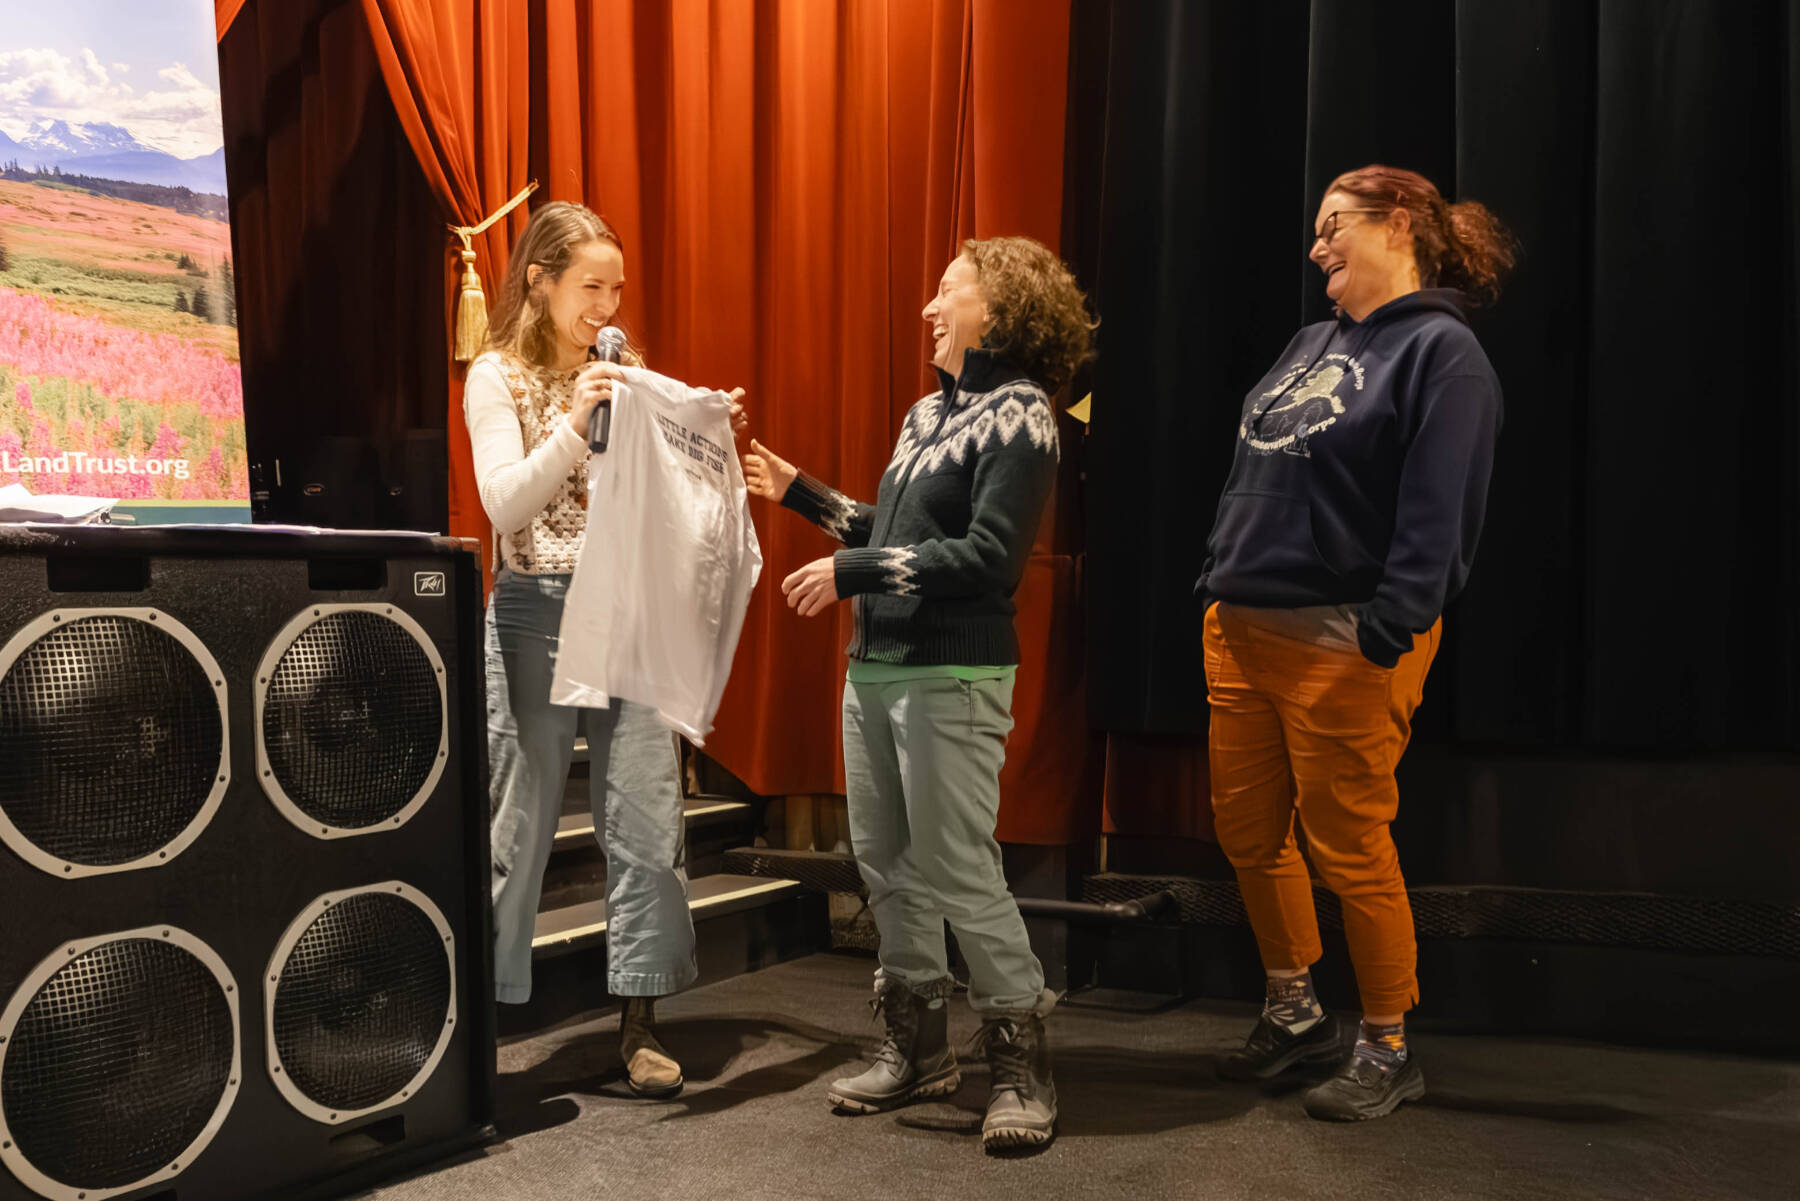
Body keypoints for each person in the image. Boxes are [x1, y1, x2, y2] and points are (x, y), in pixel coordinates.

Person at [743, 235, 1094, 1153]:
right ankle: (919, 1047)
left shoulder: (1022, 413)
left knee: (955, 865)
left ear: (1001, 309)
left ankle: (1021, 1058)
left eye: (950, 290)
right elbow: (890, 529)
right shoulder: (922, 416)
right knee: (889, 863)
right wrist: (799, 493)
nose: (931, 307)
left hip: (953, 674)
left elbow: (985, 557)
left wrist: (850, 570)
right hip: (878, 671)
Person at [1195, 165, 1514, 1120]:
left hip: (1341, 640)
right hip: (1241, 629)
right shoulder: (1310, 341)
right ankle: (1294, 1010)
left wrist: (1387, 628)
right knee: (1250, 834)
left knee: (1350, 847)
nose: (1316, 246)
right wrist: (1221, 571)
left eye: (1334, 225)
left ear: (1401, 224)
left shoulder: (1443, 356)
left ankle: (1388, 1041)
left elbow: (1440, 511)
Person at [463, 200, 745, 1100]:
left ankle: (642, 1020)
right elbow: (504, 505)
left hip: (628, 615)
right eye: (591, 286)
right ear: (539, 281)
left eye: (617, 288)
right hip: (535, 613)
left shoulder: (625, 375)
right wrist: (571, 426)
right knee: (518, 822)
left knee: (648, 822)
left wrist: (700, 427)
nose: (607, 305)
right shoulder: (496, 378)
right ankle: (484, 1022)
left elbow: (667, 500)